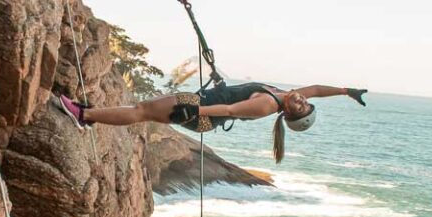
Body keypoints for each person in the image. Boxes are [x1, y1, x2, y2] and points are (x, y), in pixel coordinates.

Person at [58, 83, 368, 162]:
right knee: (145, 109)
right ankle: (88, 115)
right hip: (203, 111)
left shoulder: (266, 105)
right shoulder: (285, 93)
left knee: (142, 110)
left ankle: (84, 116)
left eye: (299, 107)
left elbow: (232, 110)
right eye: (305, 102)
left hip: (202, 112)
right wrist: (345, 91)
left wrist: (195, 112)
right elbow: (316, 89)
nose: (302, 99)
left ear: (288, 113)